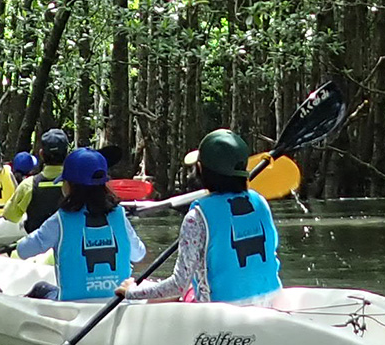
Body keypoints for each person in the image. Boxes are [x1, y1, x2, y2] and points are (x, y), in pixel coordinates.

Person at [120, 129, 282, 305]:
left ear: (200, 169)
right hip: (271, 299)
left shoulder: (196, 217)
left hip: (222, 312)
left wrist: (132, 292)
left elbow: (178, 285)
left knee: (168, 292)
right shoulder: (260, 202)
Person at [11, 147, 145, 301]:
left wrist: (19, 244)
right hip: (115, 302)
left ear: (69, 186)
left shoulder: (60, 220)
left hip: (71, 304)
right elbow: (139, 254)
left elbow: (23, 251)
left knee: (41, 287)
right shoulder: (120, 215)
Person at [5, 128, 71, 231]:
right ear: (67, 154)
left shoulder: (28, 185)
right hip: (67, 244)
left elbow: (10, 216)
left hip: (37, 244)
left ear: (41, 154)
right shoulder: (77, 184)